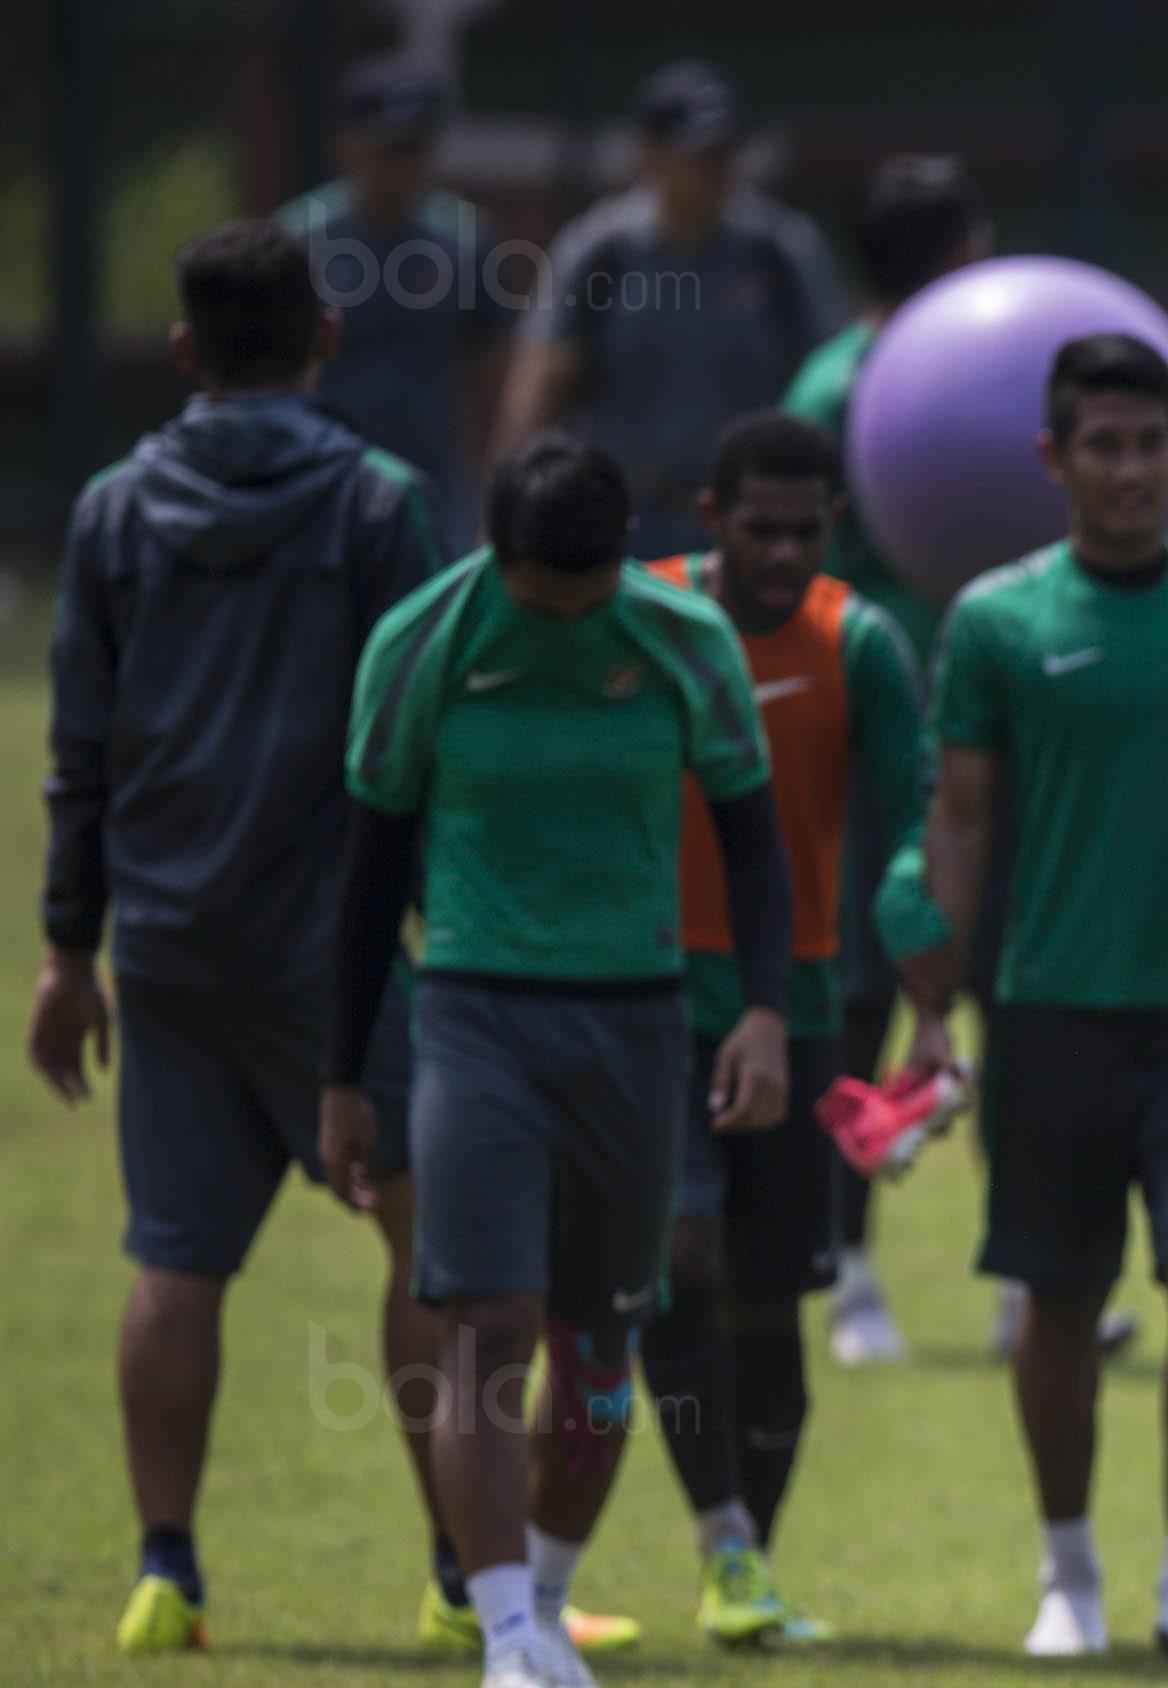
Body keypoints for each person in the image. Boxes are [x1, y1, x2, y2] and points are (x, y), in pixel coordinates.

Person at [35, 218, 444, 1658]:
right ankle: (466, 1573)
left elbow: (80, 742)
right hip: (336, 951)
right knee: (432, 1246)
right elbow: (421, 734)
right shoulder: (378, 504)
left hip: (165, 941)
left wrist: (66, 951)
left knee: (175, 1257)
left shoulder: (111, 511)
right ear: (327, 338)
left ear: (187, 352)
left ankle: (165, 1569)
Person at [325, 432, 794, 1688]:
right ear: (498, 552)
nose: (568, 620)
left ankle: (542, 1593)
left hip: (637, 1021)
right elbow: (370, 874)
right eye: (544, 600)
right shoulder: (423, 640)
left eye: (588, 599)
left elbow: (754, 843)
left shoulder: (683, 641)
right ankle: (504, 1637)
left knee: (601, 1346)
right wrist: (338, 1076)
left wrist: (763, 1013)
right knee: (488, 1324)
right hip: (475, 1012)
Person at [918, 333, 1168, 1660]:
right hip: (1045, 1012)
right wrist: (933, 1010)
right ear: (1055, 459)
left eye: (1153, 444)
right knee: (1058, 1294)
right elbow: (962, 824)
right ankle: (1069, 1578)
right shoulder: (995, 619)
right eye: (1105, 444)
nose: (1133, 468)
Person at [636, 412, 936, 1644]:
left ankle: (745, 1562)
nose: (780, 550)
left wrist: (929, 981)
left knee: (771, 1292)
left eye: (805, 530)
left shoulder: (855, 640)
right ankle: (721, 1539)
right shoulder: (643, 614)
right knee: (680, 1254)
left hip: (801, 1001)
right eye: (757, 526)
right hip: (648, 997)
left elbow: (920, 813)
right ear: (710, 518)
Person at [779, 152, 992, 1369]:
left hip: (998, 706)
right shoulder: (841, 385)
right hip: (872, 721)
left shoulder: (992, 361)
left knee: (1014, 972)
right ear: (960, 251)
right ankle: (846, 1261)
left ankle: (1028, 1272)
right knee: (870, 973)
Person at [493, 61, 847, 557]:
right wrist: (509, 516)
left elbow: (828, 383)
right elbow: (541, 384)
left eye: (725, 153)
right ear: (650, 153)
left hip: (751, 531)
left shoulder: (778, 251)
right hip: (624, 523)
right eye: (698, 155)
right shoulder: (603, 250)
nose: (715, 170)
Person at [279, 57, 508, 557]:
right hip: (322, 484)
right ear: (345, 146)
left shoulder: (465, 240)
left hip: (436, 489)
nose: (400, 167)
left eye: (413, 150)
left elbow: (487, 371)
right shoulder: (300, 240)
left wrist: (491, 486)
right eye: (386, 150)